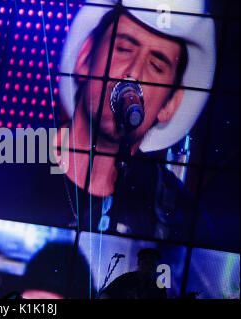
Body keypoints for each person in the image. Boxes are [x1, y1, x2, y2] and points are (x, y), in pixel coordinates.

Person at [51, 0, 216, 239]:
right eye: (124, 49)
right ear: (85, 57)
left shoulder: (186, 222)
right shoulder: (1, 161)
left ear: (170, 104)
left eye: (156, 66)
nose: (135, 73)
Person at [98, 248, 167, 299]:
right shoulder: (125, 278)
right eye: (146, 262)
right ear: (139, 263)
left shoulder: (160, 287)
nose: (148, 266)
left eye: (152, 263)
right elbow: (105, 294)